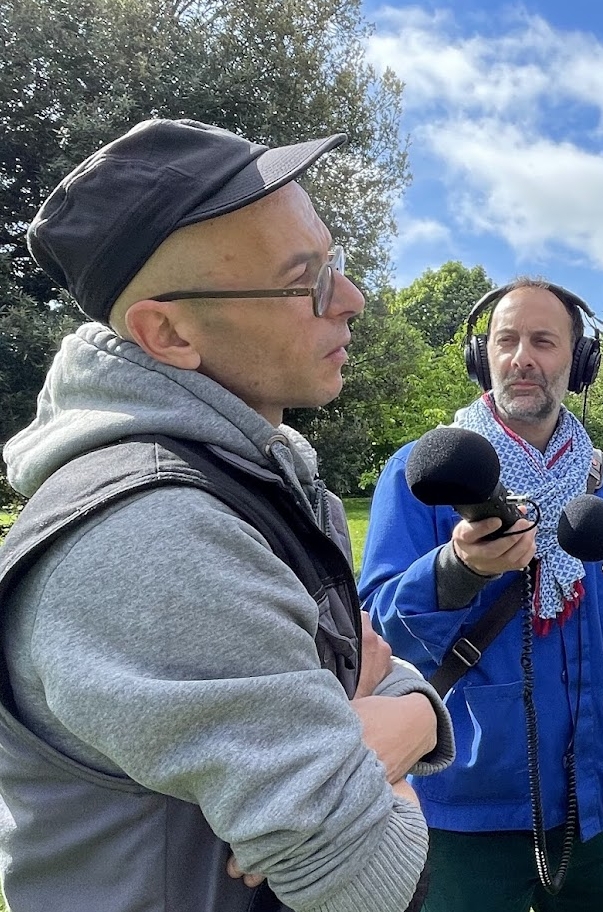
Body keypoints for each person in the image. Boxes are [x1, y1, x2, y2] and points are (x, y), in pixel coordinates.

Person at [0, 118, 455, 912]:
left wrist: (407, 715)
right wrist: (401, 728)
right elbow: (369, 880)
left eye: (335, 263)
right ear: (167, 332)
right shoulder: (153, 534)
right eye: (303, 280)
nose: (351, 300)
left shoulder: (258, 479)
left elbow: (374, 663)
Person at [359, 279, 603, 912]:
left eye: (544, 341)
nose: (523, 357)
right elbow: (372, 639)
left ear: (580, 359)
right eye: (507, 340)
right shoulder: (423, 475)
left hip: (597, 792)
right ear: (481, 356)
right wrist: (458, 567)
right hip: (467, 798)